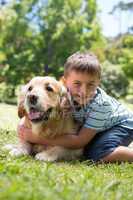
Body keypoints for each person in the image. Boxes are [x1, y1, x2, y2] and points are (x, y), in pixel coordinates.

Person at [18, 52, 133, 163]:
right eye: (77, 84)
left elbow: (79, 142)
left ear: (98, 83)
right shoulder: (63, 94)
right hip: (97, 125)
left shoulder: (101, 106)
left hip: (122, 124)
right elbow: (28, 117)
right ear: (65, 82)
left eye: (91, 85)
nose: (83, 91)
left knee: (96, 153)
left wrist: (35, 138)